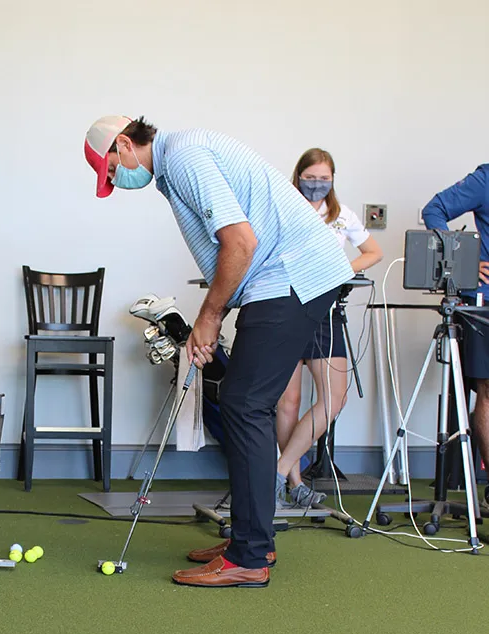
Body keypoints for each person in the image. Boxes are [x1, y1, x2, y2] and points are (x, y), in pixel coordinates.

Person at [84, 115, 354, 588]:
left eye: (111, 172)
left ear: (124, 145)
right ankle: (252, 540)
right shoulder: (175, 162)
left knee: (244, 404)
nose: (116, 182)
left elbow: (240, 242)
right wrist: (217, 312)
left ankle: (248, 556)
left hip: (290, 278)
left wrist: (209, 316)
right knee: (241, 401)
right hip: (281, 281)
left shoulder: (184, 156)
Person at [275, 148, 383, 508]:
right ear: (298, 175)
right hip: (287, 308)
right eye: (311, 177)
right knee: (287, 401)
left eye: (324, 179)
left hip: (325, 312)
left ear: (333, 180)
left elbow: (373, 251)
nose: (317, 185)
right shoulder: (283, 205)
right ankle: (294, 482)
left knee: (334, 398)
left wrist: (343, 270)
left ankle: (278, 471)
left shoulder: (340, 215)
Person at [421, 165, 489, 501]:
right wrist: (463, 259)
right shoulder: (486, 179)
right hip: (484, 306)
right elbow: (434, 209)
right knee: (488, 392)